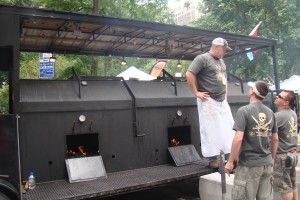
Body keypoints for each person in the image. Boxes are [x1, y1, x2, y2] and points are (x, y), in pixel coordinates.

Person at [185, 37, 235, 169]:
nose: (225, 52)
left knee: (228, 127)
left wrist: (225, 95)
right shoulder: (202, 58)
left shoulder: (221, 61)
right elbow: (189, 74)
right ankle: (212, 159)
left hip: (221, 99)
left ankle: (229, 156)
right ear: (217, 46)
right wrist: (196, 92)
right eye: (224, 49)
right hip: (208, 99)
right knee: (210, 130)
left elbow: (224, 79)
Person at [224, 81, 279, 200]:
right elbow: (275, 139)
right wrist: (272, 158)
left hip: (249, 165)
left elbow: (238, 138)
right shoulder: (271, 113)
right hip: (266, 164)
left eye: (250, 88)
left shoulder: (244, 111)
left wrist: (230, 162)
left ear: (252, 92)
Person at [273, 89, 298, 200]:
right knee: (292, 183)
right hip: (293, 154)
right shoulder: (293, 113)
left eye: (279, 96)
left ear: (286, 102)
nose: (276, 97)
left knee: (284, 186)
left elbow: (272, 137)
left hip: (282, 156)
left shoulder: (278, 116)